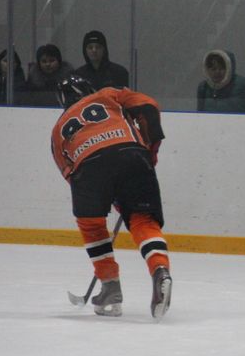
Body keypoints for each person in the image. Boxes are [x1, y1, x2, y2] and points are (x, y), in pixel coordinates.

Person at [51, 74, 172, 319]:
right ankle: (160, 269)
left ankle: (110, 287)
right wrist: (150, 148)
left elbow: (71, 175)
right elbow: (148, 106)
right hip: (132, 153)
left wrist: (107, 194)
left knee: (91, 224)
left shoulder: (57, 130)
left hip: (89, 167)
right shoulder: (108, 94)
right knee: (142, 219)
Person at [196, 49, 245, 114]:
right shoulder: (203, 88)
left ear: (229, 68)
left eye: (222, 68)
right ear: (207, 70)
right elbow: (200, 115)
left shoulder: (243, 85)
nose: (217, 72)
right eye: (213, 69)